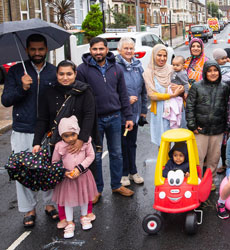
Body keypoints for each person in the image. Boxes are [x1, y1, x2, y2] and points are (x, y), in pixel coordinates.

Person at [32, 60, 98, 229]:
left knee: (82, 180)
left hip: (81, 143)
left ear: (75, 74)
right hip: (58, 144)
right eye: (61, 74)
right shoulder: (48, 92)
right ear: (57, 74)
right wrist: (36, 142)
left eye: (69, 73)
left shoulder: (84, 91)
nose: (65, 77)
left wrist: (82, 139)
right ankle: (64, 217)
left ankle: (86, 213)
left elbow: (90, 115)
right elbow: (43, 119)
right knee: (62, 183)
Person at [1, 34, 58, 227]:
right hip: (23, 128)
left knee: (49, 168)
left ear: (46, 49)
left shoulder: (54, 71)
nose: (37, 53)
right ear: (27, 50)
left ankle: (50, 204)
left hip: (48, 131)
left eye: (40, 49)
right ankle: (29, 210)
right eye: (33, 49)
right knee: (23, 170)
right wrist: (22, 88)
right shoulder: (17, 71)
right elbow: (6, 100)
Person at [76, 37, 135, 200]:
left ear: (107, 50)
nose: (98, 52)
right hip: (94, 121)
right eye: (94, 49)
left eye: (101, 49)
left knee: (116, 153)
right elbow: (78, 98)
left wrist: (128, 116)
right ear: (90, 50)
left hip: (115, 117)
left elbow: (123, 94)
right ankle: (97, 189)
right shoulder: (82, 70)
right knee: (94, 156)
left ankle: (116, 185)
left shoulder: (116, 68)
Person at [186, 60, 230, 191]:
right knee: (198, 158)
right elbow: (189, 106)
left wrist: (226, 126)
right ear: (205, 72)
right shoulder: (197, 87)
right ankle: (197, 180)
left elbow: (228, 107)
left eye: (215, 70)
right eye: (209, 71)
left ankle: (210, 180)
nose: (213, 73)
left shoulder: (224, 87)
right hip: (200, 130)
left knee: (214, 159)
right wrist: (192, 125)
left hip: (218, 130)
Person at [52, 116, 98, 239]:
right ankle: (69, 222)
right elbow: (55, 162)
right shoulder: (59, 146)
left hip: (83, 176)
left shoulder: (86, 141)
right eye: (66, 136)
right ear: (62, 136)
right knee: (68, 200)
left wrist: (79, 168)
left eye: (73, 134)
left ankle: (84, 216)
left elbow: (91, 156)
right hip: (67, 179)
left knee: (84, 197)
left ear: (77, 131)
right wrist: (64, 172)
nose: (71, 138)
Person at [115, 37, 147, 187]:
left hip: (134, 114)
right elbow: (110, 92)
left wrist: (143, 111)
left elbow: (143, 91)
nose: (129, 51)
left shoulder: (137, 65)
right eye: (126, 48)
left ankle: (133, 171)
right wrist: (125, 100)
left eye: (131, 48)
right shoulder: (114, 66)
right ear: (119, 50)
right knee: (122, 145)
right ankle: (123, 173)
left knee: (131, 144)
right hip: (121, 115)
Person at [143, 44, 184, 146]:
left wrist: (181, 89)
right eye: (159, 55)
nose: (162, 58)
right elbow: (152, 95)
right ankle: (164, 162)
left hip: (174, 110)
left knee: (176, 141)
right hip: (159, 112)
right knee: (163, 143)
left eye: (165, 56)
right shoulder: (148, 73)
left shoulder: (171, 69)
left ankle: (175, 162)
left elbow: (183, 82)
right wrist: (171, 95)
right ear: (153, 56)